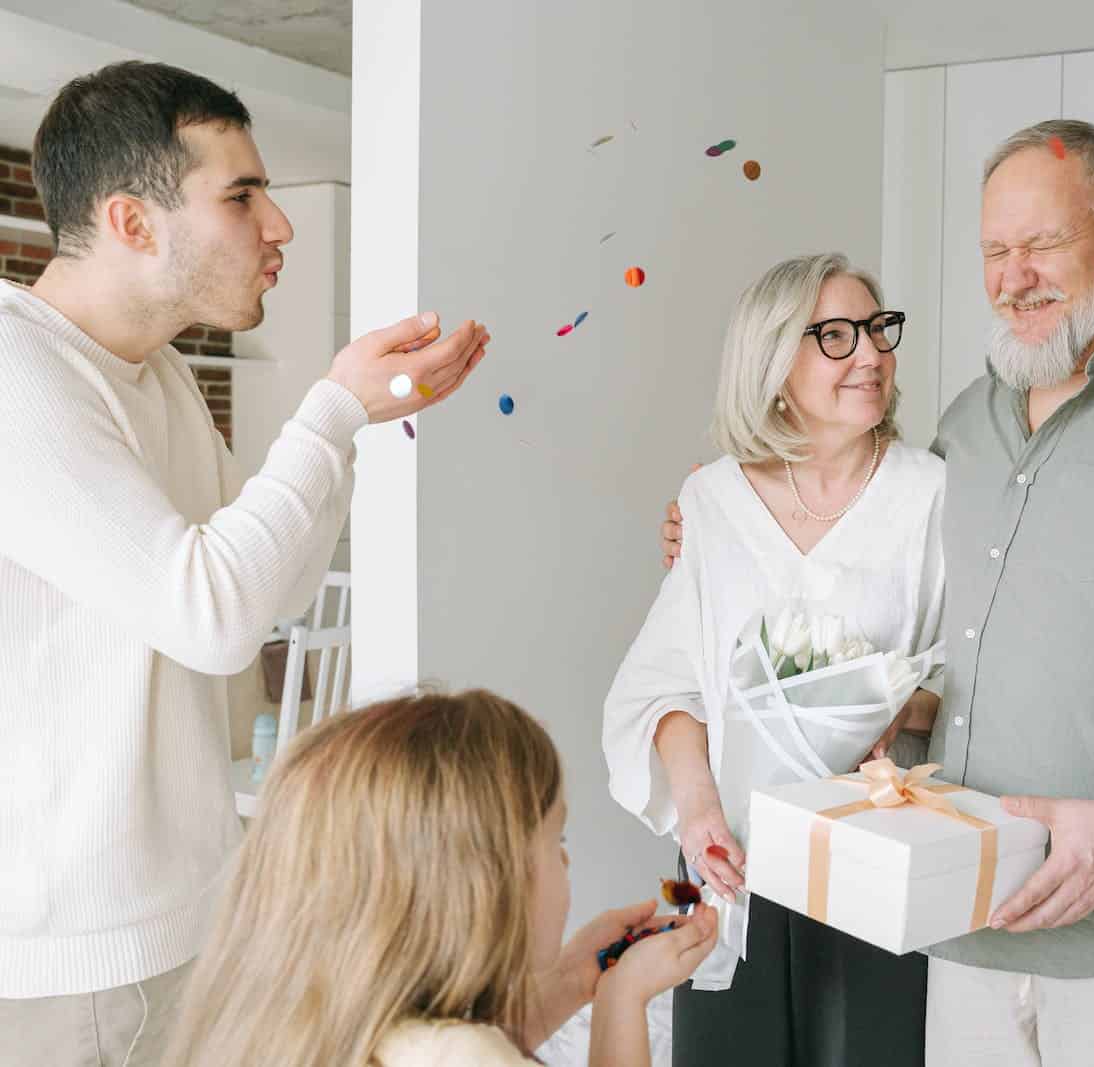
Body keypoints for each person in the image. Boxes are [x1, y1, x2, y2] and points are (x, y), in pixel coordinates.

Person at [664, 121, 1094, 1065]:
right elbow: (899, 602)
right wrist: (728, 518)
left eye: (1044, 244)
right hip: (960, 938)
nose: (1013, 276)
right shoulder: (965, 429)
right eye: (995, 251)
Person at [0, 61, 488, 1066]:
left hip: (174, 914)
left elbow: (271, 588)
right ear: (133, 222)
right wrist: (334, 407)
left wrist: (349, 424)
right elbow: (213, 615)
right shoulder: (18, 374)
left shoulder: (156, 371)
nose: (281, 226)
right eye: (242, 195)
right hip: (74, 952)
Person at [605, 253, 945, 1066]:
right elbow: (667, 686)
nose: (870, 353)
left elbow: (958, 681)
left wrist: (893, 710)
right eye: (835, 335)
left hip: (874, 855)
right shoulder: (710, 501)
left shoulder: (933, 495)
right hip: (724, 851)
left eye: (877, 329)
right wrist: (698, 817)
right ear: (774, 364)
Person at [159, 689, 717, 1066]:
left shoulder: (302, 1020)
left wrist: (576, 978)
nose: (567, 864)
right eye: (557, 843)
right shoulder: (469, 1056)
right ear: (486, 885)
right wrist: (623, 1000)